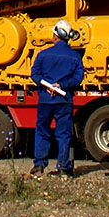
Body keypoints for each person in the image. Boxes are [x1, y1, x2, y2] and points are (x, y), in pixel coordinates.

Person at [30, 20, 84, 179]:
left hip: (46, 99)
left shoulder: (43, 54)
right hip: (64, 99)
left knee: (42, 131)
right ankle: (63, 168)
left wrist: (47, 86)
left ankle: (39, 166)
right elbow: (78, 77)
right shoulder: (75, 56)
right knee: (64, 134)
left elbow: (35, 75)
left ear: (55, 36)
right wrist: (61, 85)